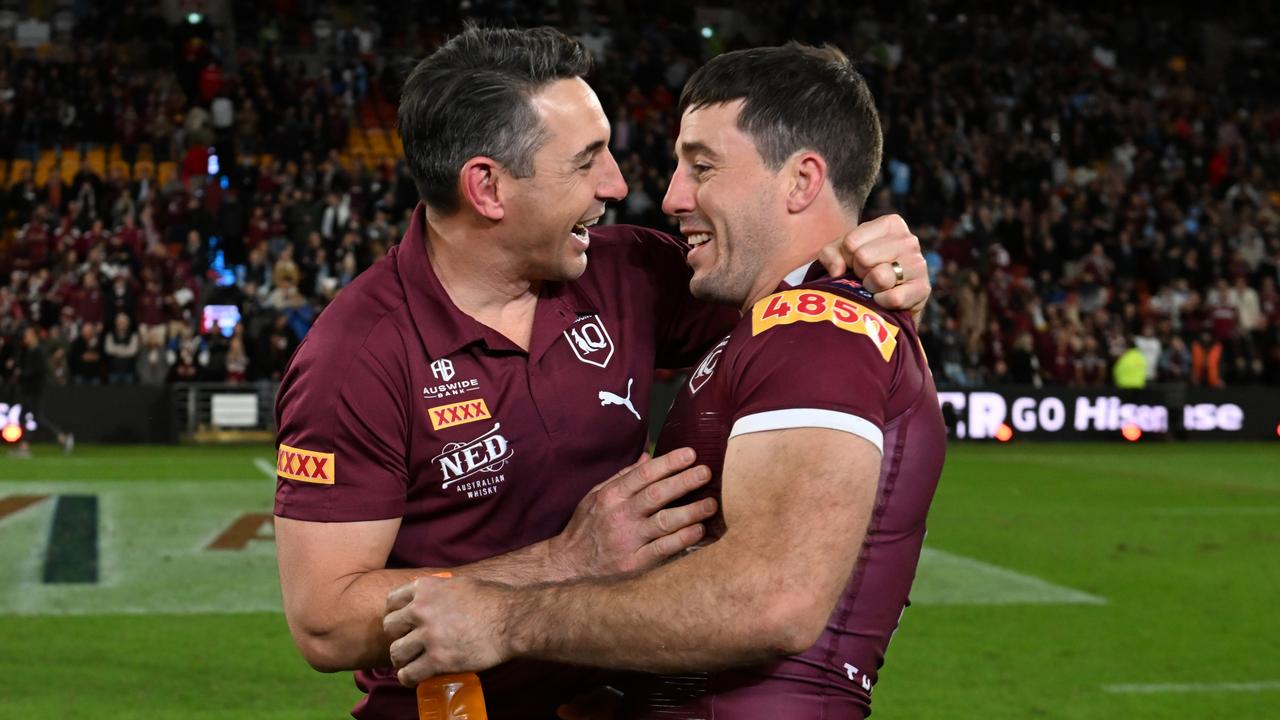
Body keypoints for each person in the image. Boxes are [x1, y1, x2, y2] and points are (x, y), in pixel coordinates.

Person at [273, 27, 931, 719]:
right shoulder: (357, 355)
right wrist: (559, 562)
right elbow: (324, 620)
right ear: (488, 187)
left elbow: (782, 268)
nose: (619, 184)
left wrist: (870, 258)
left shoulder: (629, 275)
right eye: (587, 161)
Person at [11, 326, 74, 457]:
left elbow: (38, 370)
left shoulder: (38, 351)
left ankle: (61, 438)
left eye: (27, 334)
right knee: (28, 417)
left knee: (35, 418)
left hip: (34, 390)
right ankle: (59, 438)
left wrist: (21, 374)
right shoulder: (28, 351)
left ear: (34, 335)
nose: (25, 337)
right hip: (28, 390)